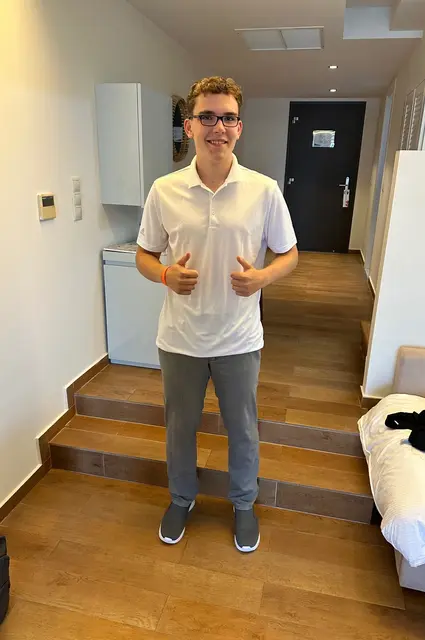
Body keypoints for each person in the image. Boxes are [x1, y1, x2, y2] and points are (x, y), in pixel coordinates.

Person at [136, 76, 298, 553]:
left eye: (228, 117)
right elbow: (144, 254)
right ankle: (181, 498)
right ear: (189, 126)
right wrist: (165, 275)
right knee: (179, 428)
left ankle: (244, 504)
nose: (218, 127)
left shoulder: (263, 190)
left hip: (239, 338)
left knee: (242, 429)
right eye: (206, 117)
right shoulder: (164, 190)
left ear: (239, 127)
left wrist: (263, 277)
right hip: (180, 337)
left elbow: (289, 253)